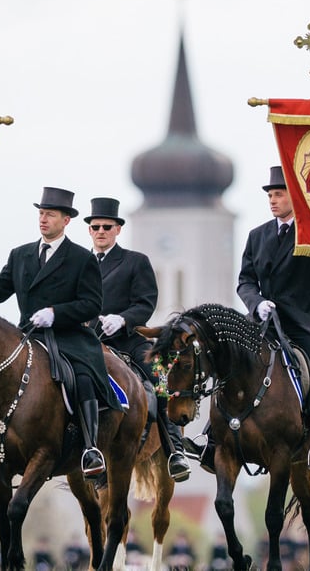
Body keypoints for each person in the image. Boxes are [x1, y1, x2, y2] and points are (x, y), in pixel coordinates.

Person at [0, 187, 120, 482]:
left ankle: (90, 449)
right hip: (27, 335)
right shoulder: (21, 254)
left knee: (84, 379)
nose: (43, 219)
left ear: (66, 220)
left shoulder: (81, 258)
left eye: (50, 214)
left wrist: (56, 313)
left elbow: (92, 304)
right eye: (40, 213)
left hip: (68, 336)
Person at [236, 165, 310, 478]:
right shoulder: (257, 235)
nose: (273, 200)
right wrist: (257, 302)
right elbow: (245, 280)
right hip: (264, 318)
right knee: (234, 361)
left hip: (304, 318)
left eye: (279, 194)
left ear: (294, 197)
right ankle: (212, 437)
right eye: (270, 195)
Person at [83, 196, 190, 482]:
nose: (101, 231)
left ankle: (175, 450)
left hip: (129, 340)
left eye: (107, 226)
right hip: (90, 342)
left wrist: (124, 319)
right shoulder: (79, 265)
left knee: (160, 379)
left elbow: (146, 302)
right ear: (89, 231)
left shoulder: (134, 261)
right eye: (95, 227)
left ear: (118, 229)